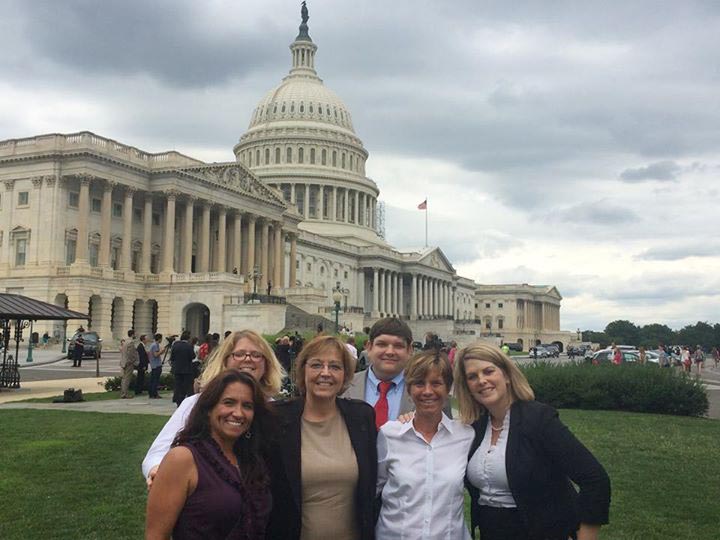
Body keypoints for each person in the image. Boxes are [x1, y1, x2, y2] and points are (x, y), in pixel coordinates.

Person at [455, 342, 610, 540]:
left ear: (507, 375)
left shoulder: (538, 420)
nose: (482, 380)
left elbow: (595, 479)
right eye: (472, 377)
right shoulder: (475, 427)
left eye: (488, 371)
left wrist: (585, 537)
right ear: (467, 387)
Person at [266, 335, 376, 540]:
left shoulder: (361, 418)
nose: (325, 373)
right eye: (316, 365)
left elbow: (371, 489)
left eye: (335, 367)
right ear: (303, 370)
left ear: (345, 375)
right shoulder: (277, 419)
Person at [142, 329, 285, 486]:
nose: (248, 359)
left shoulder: (275, 409)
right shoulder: (196, 403)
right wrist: (157, 471)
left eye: (256, 355)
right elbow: (158, 451)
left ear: (266, 364)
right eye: (239, 354)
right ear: (225, 361)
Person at [145, 370, 272, 539]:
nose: (238, 413)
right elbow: (156, 536)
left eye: (247, 406)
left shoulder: (252, 460)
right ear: (208, 408)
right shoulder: (183, 459)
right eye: (229, 403)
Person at [377, 350, 474, 539]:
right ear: (409, 389)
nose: (427, 391)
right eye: (419, 383)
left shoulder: (465, 436)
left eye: (436, 383)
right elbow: (373, 490)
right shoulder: (389, 434)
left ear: (448, 389)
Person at [344, 317, 415, 428]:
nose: (390, 352)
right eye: (382, 344)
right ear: (369, 347)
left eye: (398, 346)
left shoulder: (427, 392)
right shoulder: (344, 387)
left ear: (410, 350)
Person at [170, 330, 197, 406]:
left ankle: (178, 399)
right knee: (187, 386)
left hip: (177, 369)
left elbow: (172, 357)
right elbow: (193, 356)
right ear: (188, 339)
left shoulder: (175, 345)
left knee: (178, 385)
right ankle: (185, 399)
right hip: (186, 369)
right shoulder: (188, 346)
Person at [120, 329, 139, 399]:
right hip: (128, 363)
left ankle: (123, 392)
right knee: (127, 379)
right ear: (132, 334)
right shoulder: (131, 342)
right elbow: (131, 354)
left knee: (124, 378)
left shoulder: (125, 342)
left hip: (124, 362)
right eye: (134, 334)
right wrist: (133, 361)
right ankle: (124, 394)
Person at [148, 334, 165, 399]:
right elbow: (155, 354)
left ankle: (152, 393)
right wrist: (161, 351)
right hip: (156, 365)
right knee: (155, 380)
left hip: (154, 364)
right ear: (159, 339)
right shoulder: (155, 345)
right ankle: (154, 394)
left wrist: (161, 352)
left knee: (153, 380)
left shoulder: (154, 345)